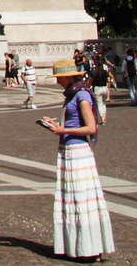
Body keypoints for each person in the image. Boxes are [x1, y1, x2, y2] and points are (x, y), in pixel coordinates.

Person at [40, 59, 114, 262]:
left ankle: (90, 247)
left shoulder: (81, 95)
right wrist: (55, 123)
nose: (57, 82)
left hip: (78, 151)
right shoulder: (72, 94)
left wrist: (63, 130)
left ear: (68, 77)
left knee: (81, 197)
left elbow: (91, 128)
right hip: (68, 149)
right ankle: (81, 246)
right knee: (73, 197)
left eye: (59, 78)